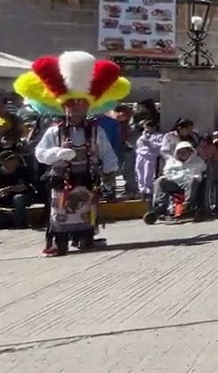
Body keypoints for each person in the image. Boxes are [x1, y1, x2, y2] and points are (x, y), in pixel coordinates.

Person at [18, 51, 128, 256]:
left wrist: (110, 171)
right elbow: (40, 153)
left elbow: (107, 151)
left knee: (85, 212)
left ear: (88, 107)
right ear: (64, 108)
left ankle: (84, 238)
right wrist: (59, 152)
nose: (77, 110)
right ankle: (59, 243)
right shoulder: (54, 130)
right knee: (60, 213)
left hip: (87, 176)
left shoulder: (96, 130)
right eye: (72, 106)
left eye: (82, 106)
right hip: (62, 179)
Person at [152, 141, 206, 218]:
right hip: (174, 183)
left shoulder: (198, 161)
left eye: (185, 151)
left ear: (190, 152)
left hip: (189, 183)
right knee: (159, 181)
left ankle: (187, 206)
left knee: (193, 180)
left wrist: (194, 175)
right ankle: (160, 207)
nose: (183, 154)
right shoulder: (171, 162)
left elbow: (203, 169)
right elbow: (166, 173)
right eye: (180, 152)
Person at [0, 151, 35, 229]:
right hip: (5, 197)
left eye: (6, 163)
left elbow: (26, 186)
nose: (5, 166)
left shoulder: (23, 170)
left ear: (14, 161)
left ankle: (19, 222)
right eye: (2, 164)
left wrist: (10, 189)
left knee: (18, 199)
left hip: (23, 196)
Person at [133, 119, 163, 201]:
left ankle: (149, 192)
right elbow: (138, 145)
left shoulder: (159, 136)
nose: (146, 130)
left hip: (150, 157)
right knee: (139, 175)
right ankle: (142, 192)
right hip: (140, 156)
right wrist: (144, 137)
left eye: (148, 128)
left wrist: (149, 142)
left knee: (148, 175)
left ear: (153, 127)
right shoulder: (143, 136)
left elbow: (158, 147)